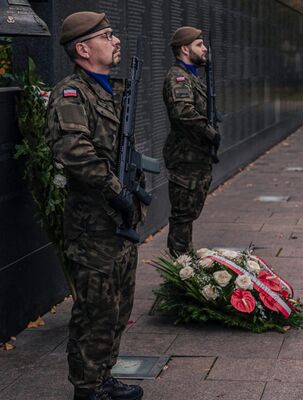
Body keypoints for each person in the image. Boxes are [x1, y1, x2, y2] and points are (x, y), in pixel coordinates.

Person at [46, 11, 144, 400]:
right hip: (92, 225)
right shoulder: (71, 93)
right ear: (83, 49)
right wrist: (116, 189)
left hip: (117, 221)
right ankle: (87, 388)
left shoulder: (108, 90)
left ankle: (103, 376)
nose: (115, 40)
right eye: (106, 35)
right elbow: (74, 151)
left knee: (118, 308)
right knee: (95, 310)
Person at [163, 26, 221, 256]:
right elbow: (182, 111)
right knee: (182, 216)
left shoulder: (191, 76)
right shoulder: (178, 77)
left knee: (189, 213)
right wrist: (209, 132)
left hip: (196, 157)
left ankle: (185, 260)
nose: (204, 48)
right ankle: (180, 267)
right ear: (185, 49)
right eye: (199, 45)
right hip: (185, 158)